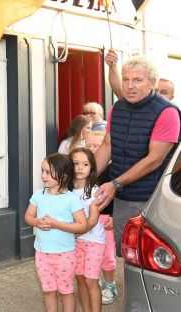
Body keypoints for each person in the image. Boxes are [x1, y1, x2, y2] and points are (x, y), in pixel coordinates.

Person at [94, 55, 181, 254]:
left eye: (137, 80)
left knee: (152, 258)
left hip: (153, 200)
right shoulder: (117, 108)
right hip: (123, 197)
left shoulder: (167, 112)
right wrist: (84, 180)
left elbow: (154, 159)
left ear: (152, 82)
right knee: (127, 254)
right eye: (126, 79)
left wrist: (116, 183)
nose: (129, 85)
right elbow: (107, 146)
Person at [25, 153, 88, 312]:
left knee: (65, 291)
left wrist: (56, 224)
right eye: (42, 171)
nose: (43, 175)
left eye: (47, 172)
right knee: (48, 290)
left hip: (65, 254)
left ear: (63, 176)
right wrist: (37, 223)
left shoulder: (71, 199)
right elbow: (28, 216)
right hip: (42, 253)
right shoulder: (39, 195)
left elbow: (82, 225)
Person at [85, 131, 118, 305]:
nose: (91, 149)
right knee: (88, 253)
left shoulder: (114, 170)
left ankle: (110, 284)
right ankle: (93, 279)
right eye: (88, 145)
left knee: (107, 255)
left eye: (95, 145)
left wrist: (114, 215)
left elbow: (119, 194)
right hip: (87, 221)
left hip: (106, 220)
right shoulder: (83, 170)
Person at [69, 148, 104, 312]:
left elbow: (91, 221)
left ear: (91, 168)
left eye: (85, 164)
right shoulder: (66, 192)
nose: (80, 168)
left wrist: (73, 233)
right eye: (76, 164)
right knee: (80, 279)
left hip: (93, 241)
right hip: (74, 242)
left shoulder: (94, 192)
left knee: (91, 280)